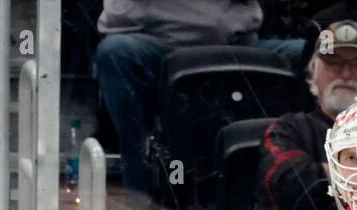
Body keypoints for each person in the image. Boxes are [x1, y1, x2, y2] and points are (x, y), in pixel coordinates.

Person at [95, 0, 265, 194]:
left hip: (236, 43)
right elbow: (118, 21)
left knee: (299, 54)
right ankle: (138, 190)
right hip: (157, 44)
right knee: (115, 51)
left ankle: (269, 190)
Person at [256, 20, 357, 210]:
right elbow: (290, 183)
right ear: (313, 70)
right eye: (333, 63)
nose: (346, 74)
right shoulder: (288, 129)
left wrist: (330, 174)